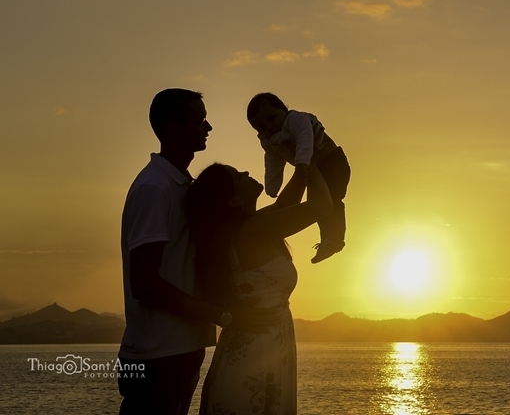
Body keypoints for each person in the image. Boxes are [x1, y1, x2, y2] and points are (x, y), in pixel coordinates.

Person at [118, 88, 275, 415]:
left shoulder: (184, 187)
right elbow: (144, 283)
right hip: (156, 356)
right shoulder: (153, 188)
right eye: (199, 120)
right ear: (172, 128)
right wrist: (223, 316)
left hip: (182, 349)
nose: (208, 128)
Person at [187, 159, 332, 415]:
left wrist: (298, 160)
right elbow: (321, 206)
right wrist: (309, 156)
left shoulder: (247, 227)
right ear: (232, 200)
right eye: (237, 176)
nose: (244, 171)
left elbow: (286, 205)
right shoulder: (253, 229)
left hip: (257, 351)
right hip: (256, 357)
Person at [246, 93, 351, 263]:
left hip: (332, 162)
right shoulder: (270, 139)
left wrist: (302, 163)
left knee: (329, 201)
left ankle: (334, 239)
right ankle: (328, 240)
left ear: (283, 109)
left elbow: (305, 140)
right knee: (318, 203)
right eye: (262, 127)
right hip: (312, 168)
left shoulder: (296, 120)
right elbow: (273, 161)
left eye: (272, 118)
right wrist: (272, 187)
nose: (269, 127)